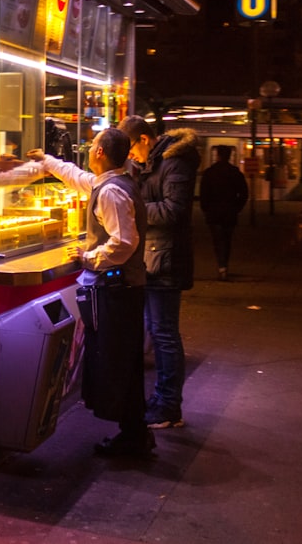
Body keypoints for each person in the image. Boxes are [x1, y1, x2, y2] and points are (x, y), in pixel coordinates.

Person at [9, 128, 152, 458]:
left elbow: (123, 243)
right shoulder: (112, 182)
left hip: (119, 290)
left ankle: (133, 438)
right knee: (122, 362)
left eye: (93, 145)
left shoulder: (112, 192)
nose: (89, 149)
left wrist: (89, 257)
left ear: (100, 152)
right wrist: (48, 161)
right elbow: (78, 178)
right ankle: (134, 433)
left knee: (119, 362)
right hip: (123, 288)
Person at [117, 115, 200, 431]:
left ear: (143, 139)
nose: (131, 157)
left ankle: (168, 407)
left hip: (165, 260)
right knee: (157, 329)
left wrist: (131, 207)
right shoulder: (154, 163)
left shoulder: (175, 163)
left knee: (164, 334)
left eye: (131, 150)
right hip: (153, 258)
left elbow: (173, 211)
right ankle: (162, 401)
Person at [199, 145, 249, 280]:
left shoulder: (210, 172)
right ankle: (224, 265)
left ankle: (221, 266)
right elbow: (244, 193)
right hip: (229, 212)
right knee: (227, 240)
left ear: (218, 155)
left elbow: (204, 194)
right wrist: (237, 208)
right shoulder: (235, 172)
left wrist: (206, 209)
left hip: (214, 213)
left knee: (217, 240)